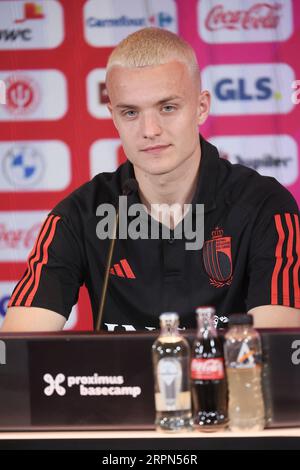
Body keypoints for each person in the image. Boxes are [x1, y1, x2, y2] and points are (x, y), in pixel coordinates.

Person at [1, 28, 300, 332]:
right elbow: (18, 351)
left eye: (167, 107)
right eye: (130, 112)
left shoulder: (266, 206)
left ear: (201, 107)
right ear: (114, 117)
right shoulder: (79, 214)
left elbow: (277, 355)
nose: (149, 130)